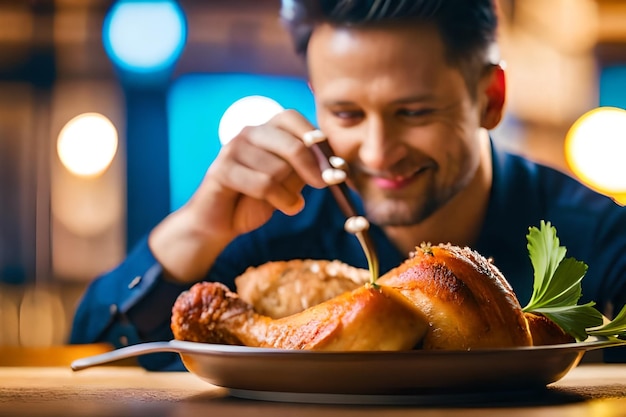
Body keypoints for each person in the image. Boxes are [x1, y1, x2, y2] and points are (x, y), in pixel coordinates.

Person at [70, 0, 626, 370]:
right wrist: (196, 228)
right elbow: (100, 356)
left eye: (413, 111)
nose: (379, 152)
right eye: (347, 114)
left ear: (491, 98)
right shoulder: (276, 235)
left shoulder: (596, 237)